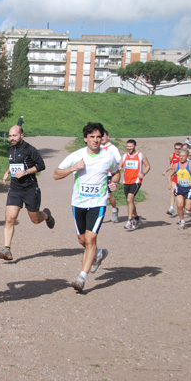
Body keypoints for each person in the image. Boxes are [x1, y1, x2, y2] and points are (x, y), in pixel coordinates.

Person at [53, 122, 120, 292]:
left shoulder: (108, 157)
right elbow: (56, 174)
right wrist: (74, 168)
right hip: (79, 203)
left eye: (99, 137)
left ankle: (81, 277)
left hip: (98, 203)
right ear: (85, 139)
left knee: (90, 239)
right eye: (92, 137)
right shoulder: (77, 155)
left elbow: (117, 172)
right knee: (82, 240)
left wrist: (114, 182)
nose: (96, 140)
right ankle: (98, 254)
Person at [0, 125, 54, 261]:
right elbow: (13, 163)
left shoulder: (30, 150)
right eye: (10, 136)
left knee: (35, 219)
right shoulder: (10, 149)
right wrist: (7, 172)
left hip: (30, 189)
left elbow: (41, 165)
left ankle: (46, 215)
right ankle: (7, 249)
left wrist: (26, 172)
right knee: (10, 218)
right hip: (15, 189)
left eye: (14, 136)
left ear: (21, 135)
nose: (11, 138)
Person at [119, 139, 151, 230]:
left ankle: (130, 221)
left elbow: (148, 166)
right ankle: (136, 217)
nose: (129, 148)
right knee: (130, 202)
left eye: (131, 146)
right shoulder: (124, 156)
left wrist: (143, 173)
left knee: (130, 199)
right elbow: (120, 166)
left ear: (135, 146)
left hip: (136, 181)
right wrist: (118, 168)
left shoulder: (140, 155)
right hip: (126, 181)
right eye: (128, 146)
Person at [167, 149, 191, 230]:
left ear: (187, 156)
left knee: (188, 208)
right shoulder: (176, 165)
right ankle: (182, 221)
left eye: (183, 156)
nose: (181, 158)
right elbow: (170, 176)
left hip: (190, 188)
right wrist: (169, 183)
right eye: (180, 156)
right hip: (180, 188)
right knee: (179, 205)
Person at [101, 131, 121, 223]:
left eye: (103, 136)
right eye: (100, 136)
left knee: (109, 196)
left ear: (108, 136)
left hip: (109, 175)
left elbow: (118, 159)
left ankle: (114, 210)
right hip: (100, 175)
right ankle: (99, 215)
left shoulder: (112, 148)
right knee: (99, 196)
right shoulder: (98, 147)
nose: (102, 138)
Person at [162, 142, 183, 216]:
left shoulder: (183, 157)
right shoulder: (172, 156)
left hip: (182, 177)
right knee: (172, 192)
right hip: (174, 176)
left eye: (179, 149)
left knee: (182, 195)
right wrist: (166, 171)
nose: (177, 150)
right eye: (176, 149)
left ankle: (184, 207)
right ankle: (171, 208)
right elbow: (171, 165)